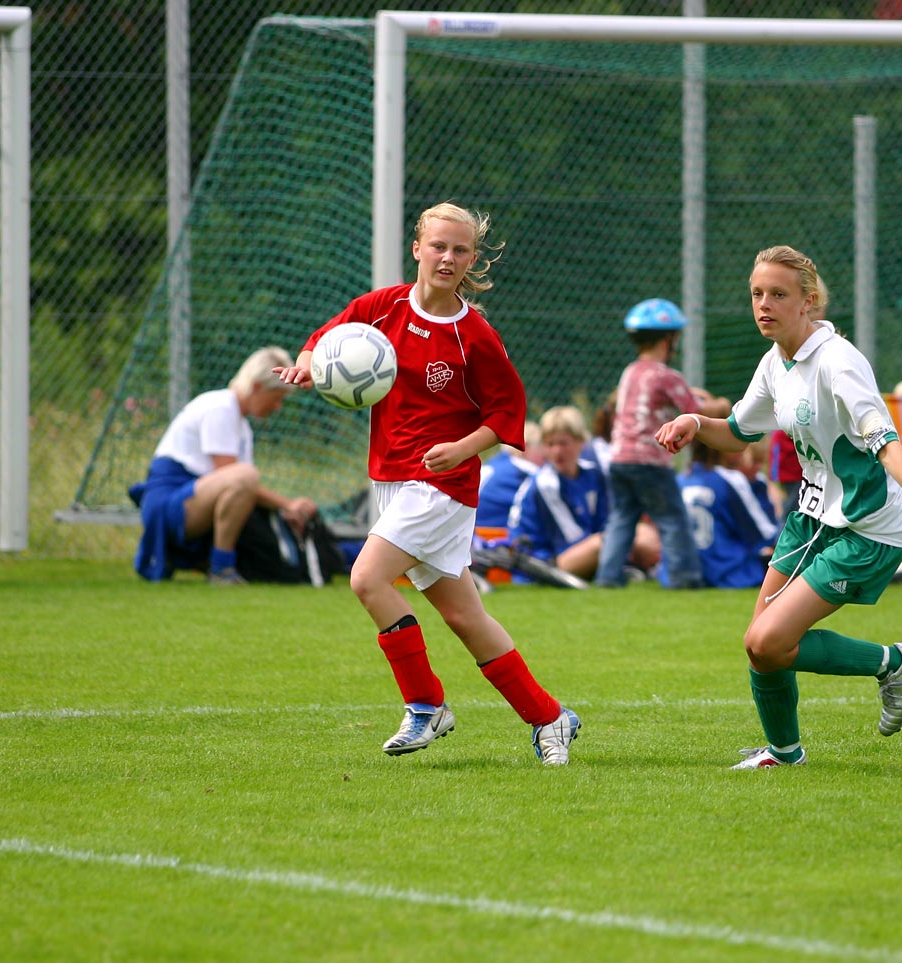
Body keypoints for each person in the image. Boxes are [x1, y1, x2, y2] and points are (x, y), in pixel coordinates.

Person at [275, 202, 580, 765]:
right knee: (466, 616)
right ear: (417, 248)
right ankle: (549, 717)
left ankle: (425, 705)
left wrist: (462, 448)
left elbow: (508, 412)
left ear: (471, 259)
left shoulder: (475, 336)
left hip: (442, 485)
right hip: (391, 480)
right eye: (438, 246)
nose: (448, 258)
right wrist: (306, 364)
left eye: (460, 250)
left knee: (367, 579)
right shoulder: (382, 307)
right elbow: (324, 339)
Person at [656, 245, 902, 769]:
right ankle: (784, 753)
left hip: (866, 528)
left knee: (769, 638)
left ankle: (892, 663)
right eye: (757, 294)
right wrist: (695, 423)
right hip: (811, 520)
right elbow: (736, 431)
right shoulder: (776, 361)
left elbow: (886, 441)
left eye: (778, 294)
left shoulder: (839, 362)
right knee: (761, 647)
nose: (764, 304)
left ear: (809, 301)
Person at [131, 347, 318, 585]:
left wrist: (285, 508)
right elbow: (236, 479)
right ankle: (221, 568)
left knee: (246, 478)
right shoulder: (220, 407)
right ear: (258, 387)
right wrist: (289, 505)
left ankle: (219, 564)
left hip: (192, 497)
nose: (277, 406)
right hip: (168, 505)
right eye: (277, 397)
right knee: (245, 476)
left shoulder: (242, 427)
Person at [595, 298, 730, 589]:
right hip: (649, 460)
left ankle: (608, 577)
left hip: (618, 458)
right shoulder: (667, 376)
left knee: (622, 517)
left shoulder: (630, 371)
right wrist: (714, 402)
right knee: (672, 518)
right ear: (669, 339)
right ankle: (686, 578)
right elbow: (695, 409)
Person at [511, 404, 658, 581]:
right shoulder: (545, 483)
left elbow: (607, 520)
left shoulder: (593, 474)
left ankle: (652, 571)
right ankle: (620, 572)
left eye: (564, 443)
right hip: (542, 562)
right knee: (606, 542)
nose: (557, 451)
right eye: (550, 444)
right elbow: (571, 537)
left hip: (582, 547)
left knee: (644, 533)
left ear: (581, 441)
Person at [677, 440, 780, 589]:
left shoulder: (681, 479)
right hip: (728, 570)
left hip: (687, 569)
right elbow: (765, 534)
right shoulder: (730, 478)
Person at [475, 419, 544, 535]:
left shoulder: (495, 463)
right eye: (541, 447)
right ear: (525, 447)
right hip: (492, 537)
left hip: (471, 531)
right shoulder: (523, 471)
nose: (545, 454)